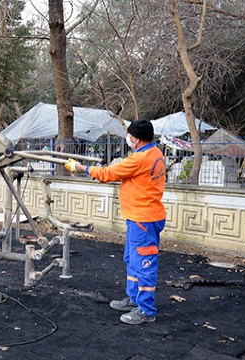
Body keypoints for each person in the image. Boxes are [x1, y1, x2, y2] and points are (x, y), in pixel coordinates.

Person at [64, 120, 166, 325]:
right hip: (139, 217)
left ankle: (146, 309)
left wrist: (80, 167)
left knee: (143, 264)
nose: (127, 138)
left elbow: (108, 174)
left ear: (136, 138)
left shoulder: (140, 158)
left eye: (129, 135)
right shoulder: (154, 152)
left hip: (143, 219)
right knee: (132, 260)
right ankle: (134, 298)